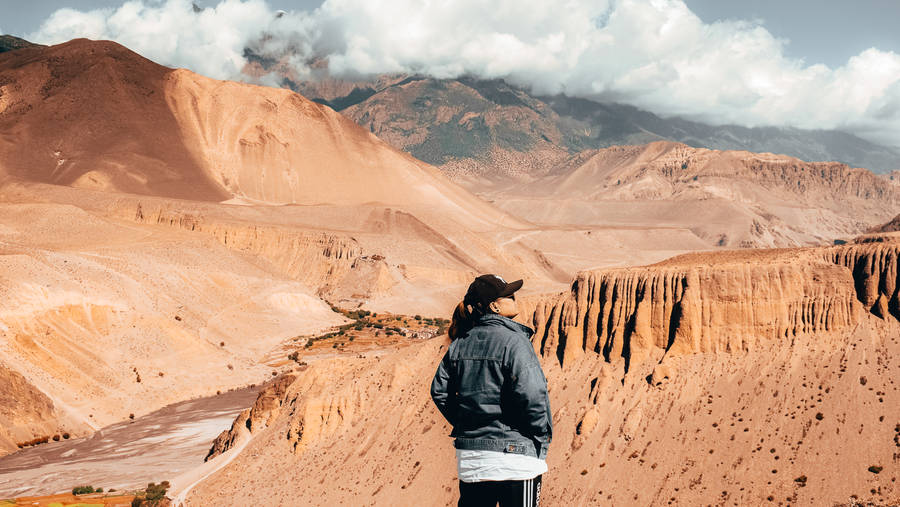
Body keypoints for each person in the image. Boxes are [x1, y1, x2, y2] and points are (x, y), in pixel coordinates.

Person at [431, 274, 552, 507]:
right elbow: (533, 393)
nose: (515, 298)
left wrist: (467, 422)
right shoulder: (514, 341)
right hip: (516, 460)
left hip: (472, 462)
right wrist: (540, 434)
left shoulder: (460, 344)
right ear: (494, 306)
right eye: (510, 295)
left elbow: (439, 391)